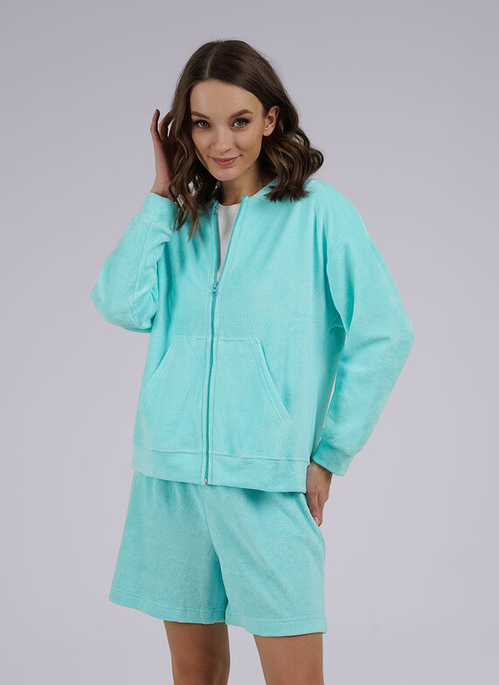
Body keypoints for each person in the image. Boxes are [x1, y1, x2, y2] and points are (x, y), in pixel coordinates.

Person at [90, 39, 415, 685]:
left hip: (268, 483)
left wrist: (329, 454)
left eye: (239, 121)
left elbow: (385, 331)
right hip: (170, 479)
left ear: (270, 119)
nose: (220, 142)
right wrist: (160, 194)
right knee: (195, 675)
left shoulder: (318, 213)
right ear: (184, 130)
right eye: (201, 123)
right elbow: (120, 304)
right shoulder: (179, 220)